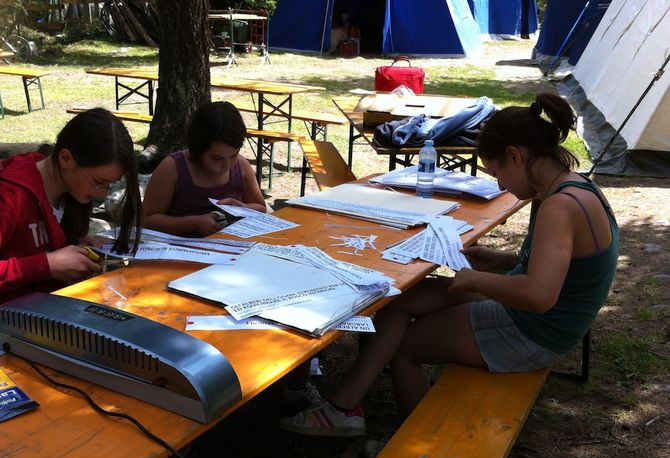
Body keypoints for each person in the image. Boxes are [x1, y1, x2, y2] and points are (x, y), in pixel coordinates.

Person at [279, 92, 619, 437]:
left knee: (407, 348)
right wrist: (504, 260)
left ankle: (417, 448)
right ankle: (345, 407)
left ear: (514, 156)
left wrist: (475, 281)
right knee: (397, 302)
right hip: (537, 316)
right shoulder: (575, 187)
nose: (500, 184)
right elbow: (564, 267)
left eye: (497, 172)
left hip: (536, 332)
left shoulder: (559, 207)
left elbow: (539, 295)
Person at [0, 108, 142, 304]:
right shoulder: (11, 197)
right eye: (98, 182)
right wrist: (47, 264)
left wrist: (76, 247)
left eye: (109, 185)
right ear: (66, 159)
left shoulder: (69, 195)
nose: (102, 193)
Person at [142, 101, 266, 237]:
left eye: (234, 155)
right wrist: (194, 223)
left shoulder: (241, 166)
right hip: (180, 247)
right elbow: (147, 220)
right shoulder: (173, 168)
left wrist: (243, 208)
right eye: (216, 158)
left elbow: (261, 208)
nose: (227, 165)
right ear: (198, 148)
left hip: (231, 245)